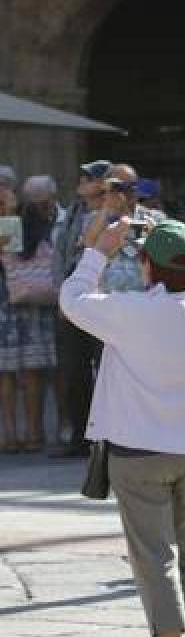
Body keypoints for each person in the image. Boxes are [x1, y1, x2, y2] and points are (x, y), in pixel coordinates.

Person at [60, 218, 185, 637]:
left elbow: (72, 299)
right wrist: (163, 244)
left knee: (155, 561)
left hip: (140, 450)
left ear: (147, 265)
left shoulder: (131, 311)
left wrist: (99, 250)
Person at [51, 159, 111, 458]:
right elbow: (60, 256)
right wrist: (63, 295)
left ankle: (107, 437)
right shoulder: (73, 212)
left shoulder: (114, 214)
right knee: (73, 370)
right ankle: (79, 436)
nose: (82, 180)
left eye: (89, 177)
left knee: (107, 370)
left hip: (103, 302)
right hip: (73, 302)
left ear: (104, 183)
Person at [0, 176, 61, 452]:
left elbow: (8, 254)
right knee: (33, 373)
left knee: (7, 374)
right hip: (36, 304)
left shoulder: (12, 224)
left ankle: (10, 434)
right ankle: (34, 432)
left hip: (9, 303)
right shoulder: (41, 222)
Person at [82, 165, 166, 294]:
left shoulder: (155, 217)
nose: (126, 191)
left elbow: (151, 248)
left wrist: (126, 212)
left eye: (131, 186)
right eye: (119, 186)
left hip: (143, 298)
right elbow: (90, 244)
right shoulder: (94, 219)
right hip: (107, 299)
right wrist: (107, 206)